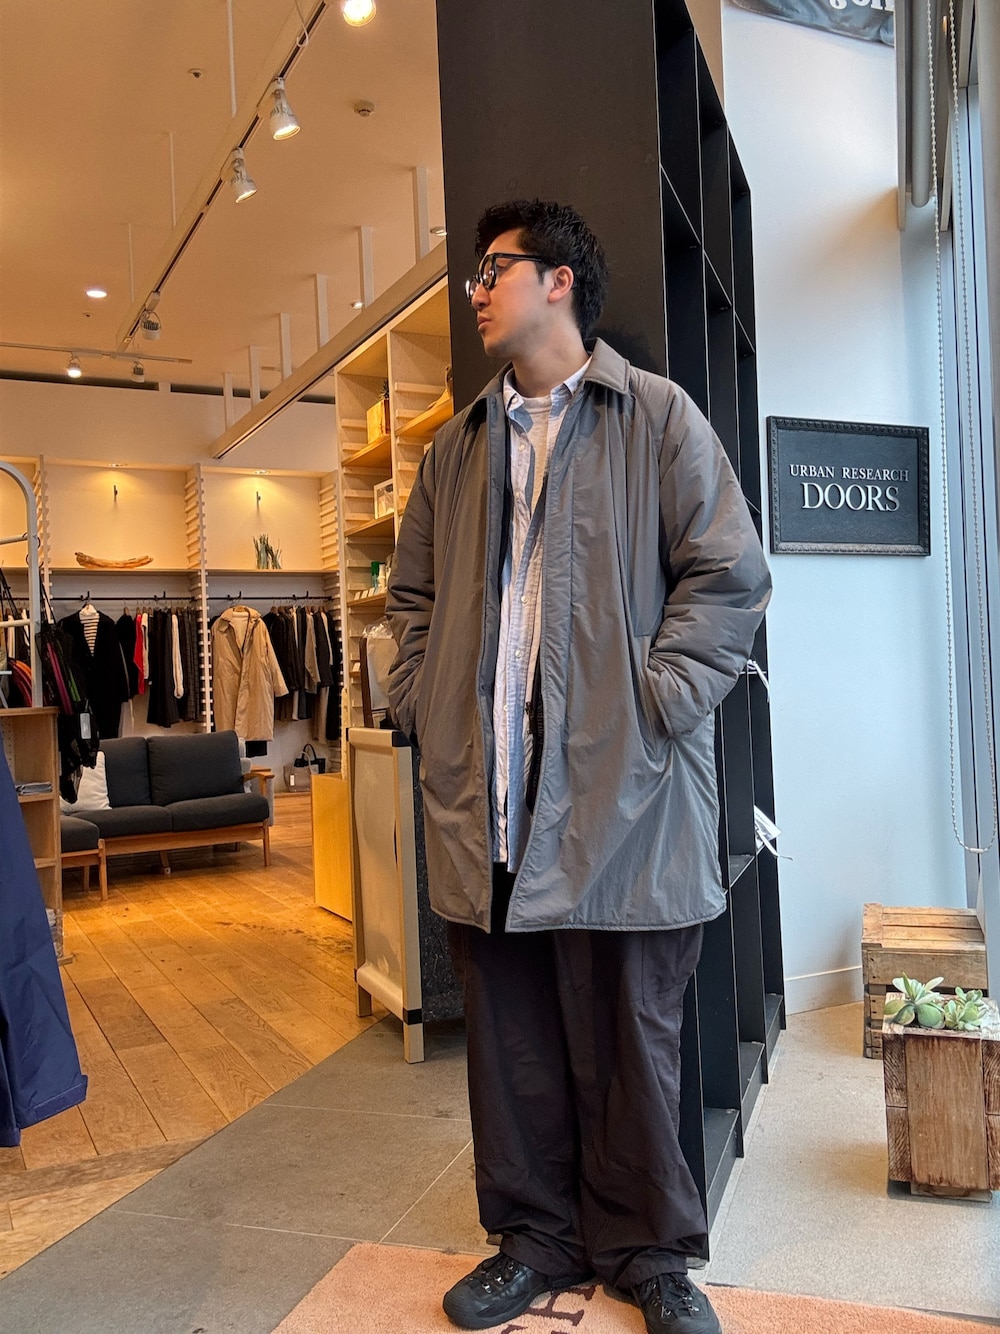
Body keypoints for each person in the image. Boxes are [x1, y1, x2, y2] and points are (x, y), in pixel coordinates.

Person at [386, 199, 771, 1334]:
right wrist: (422, 703)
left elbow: (729, 574)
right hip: (491, 795)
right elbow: (411, 600)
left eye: (493, 269)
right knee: (512, 1037)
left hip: (626, 793)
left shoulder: (654, 415)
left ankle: (651, 1254)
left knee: (632, 1037)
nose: (474, 289)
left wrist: (659, 704)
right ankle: (533, 1238)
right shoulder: (455, 448)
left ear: (559, 281)